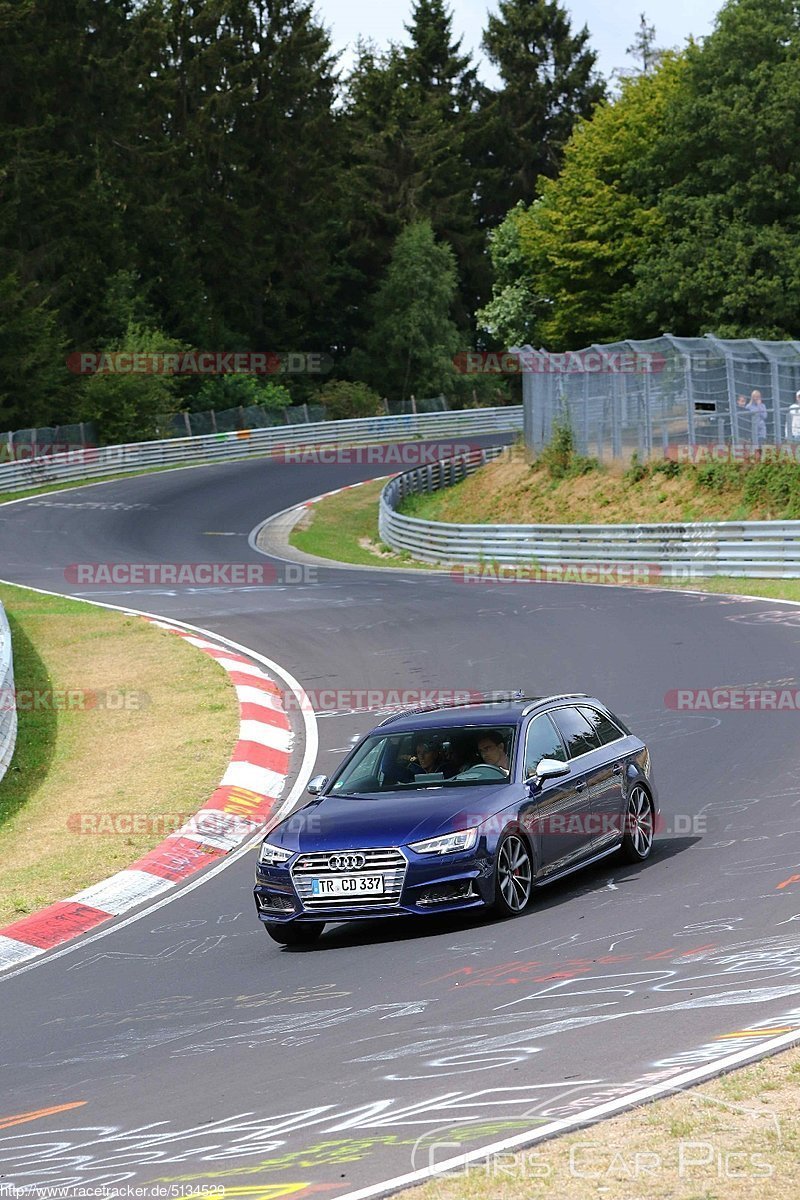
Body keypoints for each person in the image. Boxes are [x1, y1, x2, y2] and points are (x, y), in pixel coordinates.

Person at [737, 389, 768, 457]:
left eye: (758, 396)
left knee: (761, 445)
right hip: (752, 429)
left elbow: (764, 416)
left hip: (761, 429)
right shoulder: (748, 406)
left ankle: (760, 458)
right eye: (755, 396)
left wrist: (759, 405)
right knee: (753, 446)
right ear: (752, 397)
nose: (756, 398)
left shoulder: (762, 406)